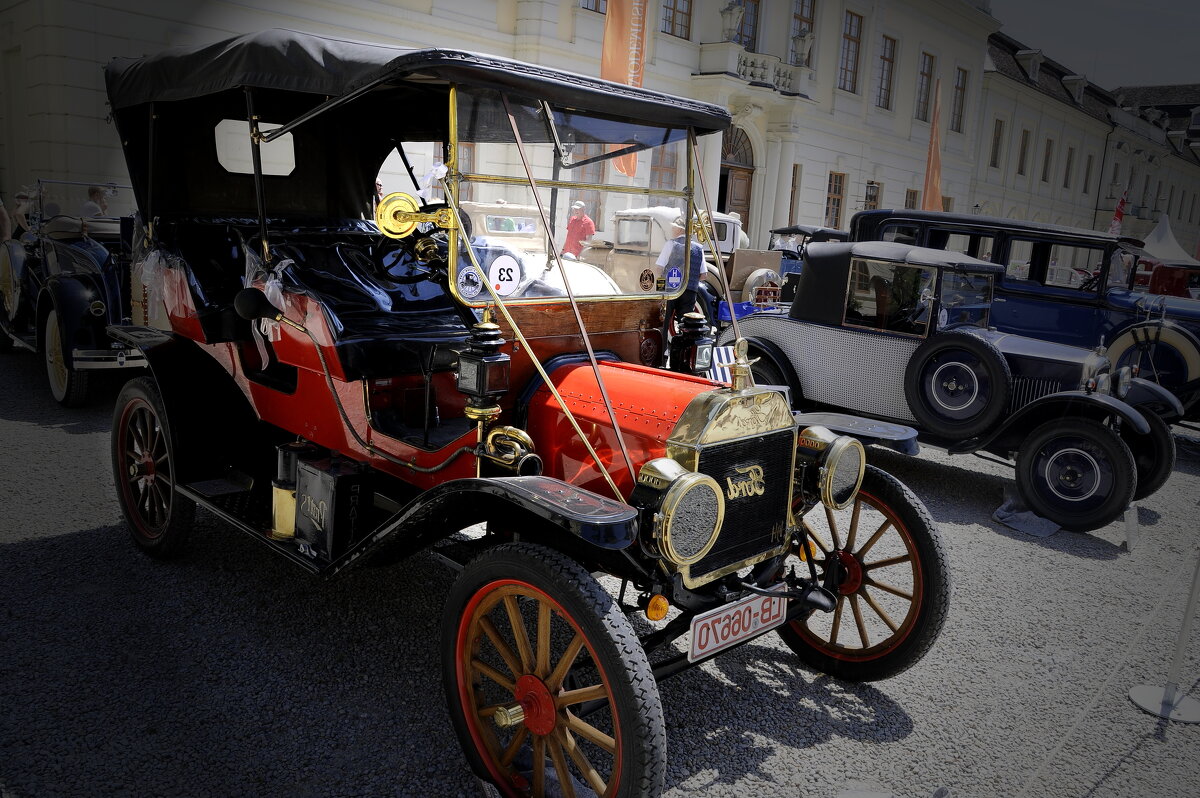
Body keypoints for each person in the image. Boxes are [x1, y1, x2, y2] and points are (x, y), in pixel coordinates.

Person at [658, 215, 707, 325]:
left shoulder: (670, 244)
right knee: (686, 325)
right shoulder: (699, 248)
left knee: (663, 323)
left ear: (680, 229)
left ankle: (664, 342)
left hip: (670, 290)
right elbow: (704, 275)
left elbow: (659, 268)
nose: (672, 229)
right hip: (689, 292)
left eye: (673, 227)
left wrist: (659, 287)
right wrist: (691, 281)